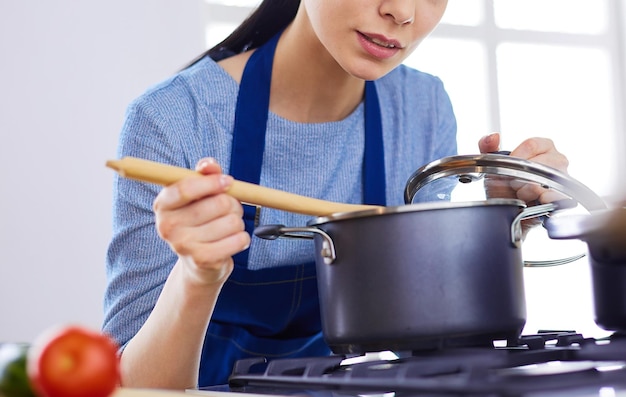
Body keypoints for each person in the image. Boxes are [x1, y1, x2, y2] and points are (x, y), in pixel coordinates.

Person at [103, 0, 569, 390]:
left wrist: (494, 230)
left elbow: (430, 347)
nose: (403, 12)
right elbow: (131, 387)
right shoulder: (174, 120)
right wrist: (196, 275)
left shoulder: (421, 107)